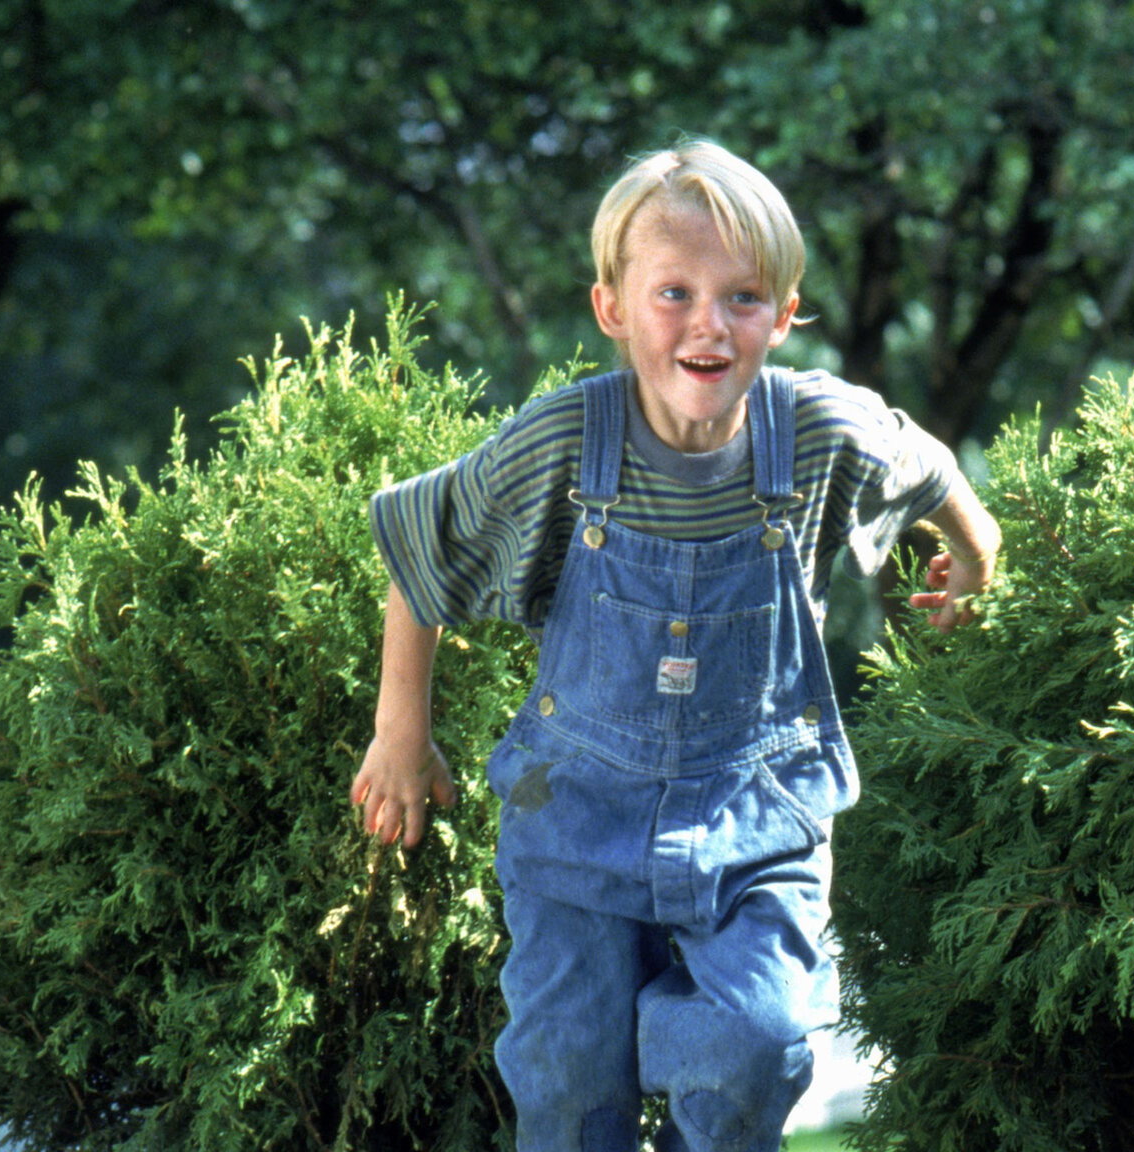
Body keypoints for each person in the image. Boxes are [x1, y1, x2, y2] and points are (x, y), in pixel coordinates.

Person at [350, 138, 1001, 1152]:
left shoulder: (818, 429)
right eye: (674, 293)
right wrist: (401, 734)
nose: (709, 323)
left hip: (760, 824)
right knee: (569, 1078)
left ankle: (693, 1061)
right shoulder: (564, 442)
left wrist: (976, 552)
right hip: (573, 823)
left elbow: (927, 465)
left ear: (782, 314)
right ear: (611, 306)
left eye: (742, 296)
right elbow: (420, 545)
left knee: (758, 1045)